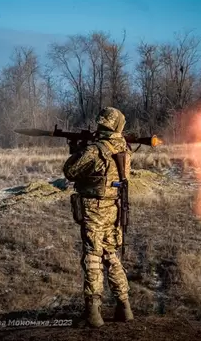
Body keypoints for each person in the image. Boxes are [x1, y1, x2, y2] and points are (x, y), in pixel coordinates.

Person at [63, 107, 134, 328]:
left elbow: (70, 171)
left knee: (93, 256)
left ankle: (93, 312)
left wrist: (76, 150)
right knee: (111, 254)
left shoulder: (96, 149)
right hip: (113, 207)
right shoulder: (124, 148)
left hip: (94, 208)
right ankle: (124, 307)